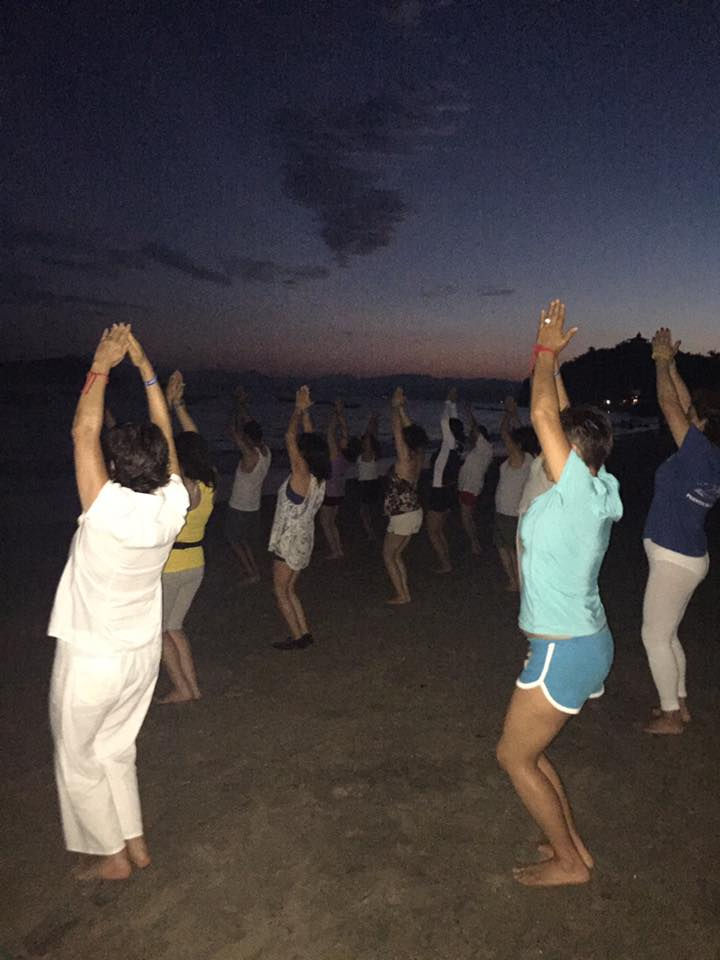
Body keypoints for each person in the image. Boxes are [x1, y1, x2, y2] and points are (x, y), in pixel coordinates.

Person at [48, 324, 189, 881]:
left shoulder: (105, 510)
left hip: (93, 656)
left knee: (78, 756)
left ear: (115, 469)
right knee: (117, 749)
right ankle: (135, 842)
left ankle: (111, 856)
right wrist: (146, 370)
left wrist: (101, 364)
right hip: (139, 657)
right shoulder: (173, 504)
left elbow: (82, 431)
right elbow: (162, 439)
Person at [496, 299, 623, 887]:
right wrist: (556, 366)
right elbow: (562, 417)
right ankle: (572, 849)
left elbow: (546, 414)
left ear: (568, 457)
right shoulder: (598, 485)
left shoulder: (571, 493)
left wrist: (543, 353)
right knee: (533, 752)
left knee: (513, 757)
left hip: (564, 648)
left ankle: (571, 864)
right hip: (580, 639)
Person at [640, 328, 720, 734]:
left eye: (696, 417)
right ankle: (680, 703)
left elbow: (671, 406)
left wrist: (658, 363)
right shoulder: (707, 456)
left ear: (703, 425)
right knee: (668, 635)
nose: (690, 417)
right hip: (687, 556)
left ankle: (671, 715)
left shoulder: (700, 453)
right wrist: (671, 364)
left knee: (654, 636)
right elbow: (684, 407)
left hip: (675, 559)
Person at [158, 371, 216, 704]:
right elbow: (195, 440)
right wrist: (179, 406)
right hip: (196, 563)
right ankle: (192, 687)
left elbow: (166, 445)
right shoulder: (209, 482)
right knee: (175, 627)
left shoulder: (180, 486)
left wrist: (165, 407)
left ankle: (183, 687)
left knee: (159, 631)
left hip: (171, 567)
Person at [269, 386, 330, 649]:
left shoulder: (300, 475)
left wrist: (296, 409)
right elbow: (309, 439)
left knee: (280, 591)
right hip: (304, 539)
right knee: (290, 589)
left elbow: (289, 437)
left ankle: (297, 638)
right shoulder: (319, 477)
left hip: (289, 541)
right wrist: (306, 413)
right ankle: (303, 632)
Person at [382, 387, 429, 604]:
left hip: (403, 514)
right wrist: (402, 409)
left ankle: (402, 594)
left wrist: (394, 408)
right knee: (396, 555)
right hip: (413, 512)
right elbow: (411, 433)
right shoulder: (419, 455)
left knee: (388, 555)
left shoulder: (405, 460)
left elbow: (398, 433)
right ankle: (404, 592)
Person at [226, 387, 272, 584]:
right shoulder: (266, 451)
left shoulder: (250, 454)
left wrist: (236, 405)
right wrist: (242, 404)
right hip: (253, 506)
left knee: (235, 540)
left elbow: (232, 431)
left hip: (240, 507)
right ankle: (254, 570)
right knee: (245, 541)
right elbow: (249, 426)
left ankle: (252, 572)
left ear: (248, 437)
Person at [494, 397, 535, 591]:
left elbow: (504, 432)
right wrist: (515, 415)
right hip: (512, 511)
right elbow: (523, 433)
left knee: (508, 549)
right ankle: (517, 581)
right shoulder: (530, 458)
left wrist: (508, 413)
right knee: (512, 549)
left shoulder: (519, 457)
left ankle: (515, 581)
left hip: (508, 512)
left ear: (518, 444)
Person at [426, 388, 465, 573]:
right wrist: (453, 405)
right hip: (449, 491)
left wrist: (448, 401)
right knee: (439, 530)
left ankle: (446, 564)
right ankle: (446, 560)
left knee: (433, 531)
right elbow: (452, 422)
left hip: (440, 490)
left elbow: (444, 421)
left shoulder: (448, 445)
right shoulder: (458, 445)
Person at [318, 398, 360, 560]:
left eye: (344, 440)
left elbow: (330, 433)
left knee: (325, 523)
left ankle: (335, 551)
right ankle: (338, 549)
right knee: (331, 522)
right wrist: (340, 413)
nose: (342, 438)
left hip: (329, 493)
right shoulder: (347, 457)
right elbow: (344, 431)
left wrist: (336, 413)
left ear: (345, 445)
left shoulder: (336, 454)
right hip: (339, 492)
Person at [457, 405, 493, 554]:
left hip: (470, 488)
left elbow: (475, 427)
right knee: (469, 517)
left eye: (474, 434)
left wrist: (469, 412)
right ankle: (476, 542)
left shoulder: (485, 447)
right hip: (467, 487)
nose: (471, 435)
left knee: (466, 518)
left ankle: (474, 544)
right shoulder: (480, 450)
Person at [357, 412, 382, 541]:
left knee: (365, 512)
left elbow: (368, 436)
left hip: (366, 484)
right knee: (371, 510)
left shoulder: (367, 455)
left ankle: (371, 533)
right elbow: (373, 436)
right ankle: (373, 531)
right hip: (374, 483)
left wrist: (372, 420)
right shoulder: (373, 454)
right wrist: (374, 421)